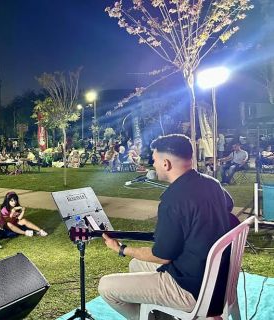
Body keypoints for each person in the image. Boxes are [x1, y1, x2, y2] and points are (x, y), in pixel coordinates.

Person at [98, 134, 234, 320]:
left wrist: (121, 248)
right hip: (216, 277)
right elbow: (229, 205)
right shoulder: (212, 183)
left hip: (192, 287)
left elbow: (162, 256)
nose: (152, 165)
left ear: (166, 164)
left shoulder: (173, 199)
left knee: (106, 286)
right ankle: (162, 313)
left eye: (154, 160)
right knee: (136, 264)